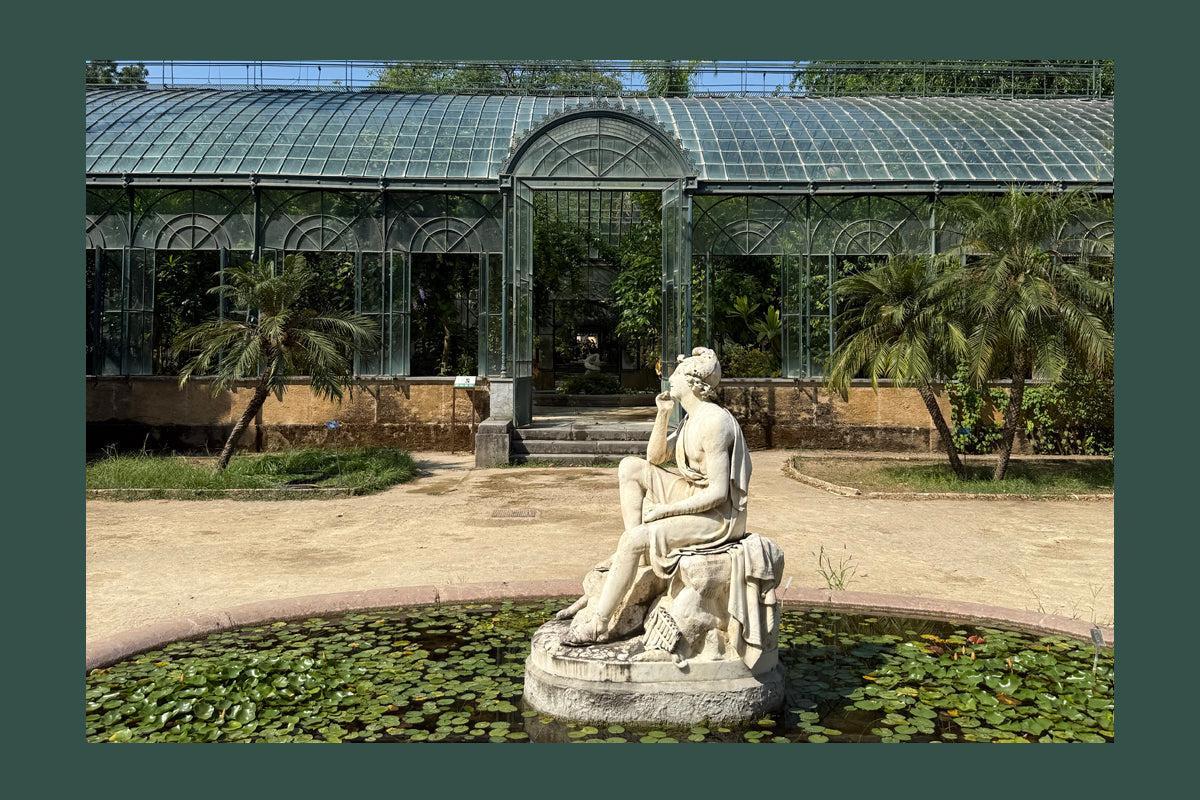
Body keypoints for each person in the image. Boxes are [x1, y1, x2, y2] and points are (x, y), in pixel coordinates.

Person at [563, 347, 752, 646]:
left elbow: (718, 492)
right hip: (693, 494)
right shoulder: (691, 418)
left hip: (717, 516)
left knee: (633, 541)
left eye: (676, 374)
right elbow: (655, 457)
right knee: (630, 467)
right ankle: (636, 549)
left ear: (692, 382)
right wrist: (662, 415)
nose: (668, 378)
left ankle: (599, 624)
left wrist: (666, 511)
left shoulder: (714, 422)